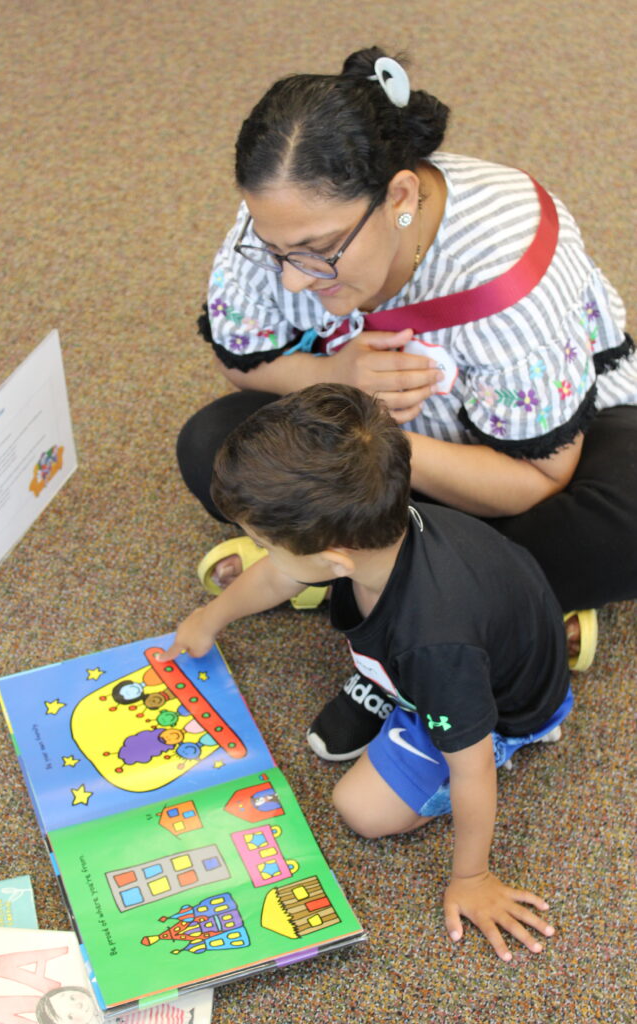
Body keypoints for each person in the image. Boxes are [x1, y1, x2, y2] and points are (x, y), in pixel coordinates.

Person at [178, 45, 637, 758]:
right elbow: (243, 359)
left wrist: (374, 447)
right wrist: (332, 372)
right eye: (275, 251)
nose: (294, 281)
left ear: (398, 197)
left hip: (538, 450)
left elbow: (538, 478)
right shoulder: (285, 223)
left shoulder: (502, 267)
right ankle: (443, 589)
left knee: (621, 523)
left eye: (318, 253)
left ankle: (330, 570)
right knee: (210, 445)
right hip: (377, 437)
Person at [162, 383, 573, 962]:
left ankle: (525, 732)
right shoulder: (379, 529)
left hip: (501, 707)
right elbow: (282, 575)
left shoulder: (434, 644)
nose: (254, 550)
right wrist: (210, 618)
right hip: (483, 634)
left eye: (261, 542)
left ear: (335, 562)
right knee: (372, 639)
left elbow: (473, 767)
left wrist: (473, 877)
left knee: (361, 808)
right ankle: (389, 684)